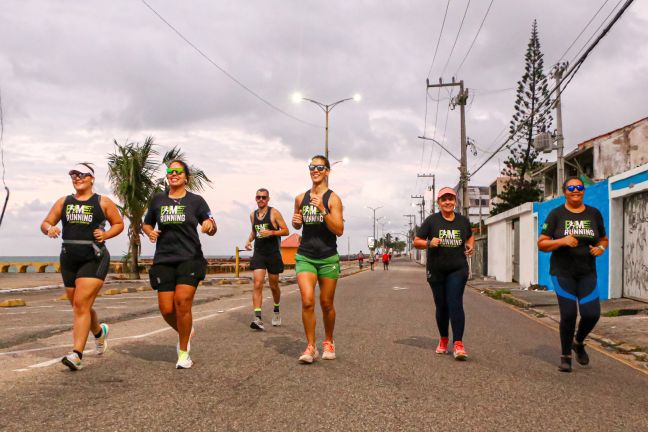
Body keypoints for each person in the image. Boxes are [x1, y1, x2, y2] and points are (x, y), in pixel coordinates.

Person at [41, 163, 124, 371]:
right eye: (73, 175)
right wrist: (50, 228)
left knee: (80, 304)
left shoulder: (102, 202)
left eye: (82, 175)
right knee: (79, 305)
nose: (77, 178)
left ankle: (76, 354)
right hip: (69, 258)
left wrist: (106, 235)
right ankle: (99, 332)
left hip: (93, 257)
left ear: (92, 179)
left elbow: (119, 223)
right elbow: (45, 223)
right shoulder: (64, 202)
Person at [142, 160, 216, 369]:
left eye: (178, 172)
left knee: (182, 302)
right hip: (164, 259)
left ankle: (184, 353)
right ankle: (186, 330)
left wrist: (209, 226)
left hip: (190, 258)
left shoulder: (196, 201)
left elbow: (210, 223)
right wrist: (149, 232)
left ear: (186, 177)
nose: (173, 174)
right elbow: (147, 223)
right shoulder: (158, 200)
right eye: (170, 171)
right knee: (166, 308)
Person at [538, 177, 608, 373]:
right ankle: (565, 355)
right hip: (563, 273)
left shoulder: (594, 214)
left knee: (592, 314)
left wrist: (601, 248)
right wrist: (561, 241)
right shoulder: (556, 214)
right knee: (568, 314)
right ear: (565, 191)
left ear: (583, 191)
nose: (575, 190)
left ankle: (578, 342)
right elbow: (542, 244)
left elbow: (603, 238)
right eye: (571, 187)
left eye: (579, 187)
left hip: (587, 272)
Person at [292, 155, 344, 364]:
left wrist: (322, 210)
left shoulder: (333, 199)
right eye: (312, 167)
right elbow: (297, 224)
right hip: (305, 256)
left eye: (319, 167)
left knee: (326, 303)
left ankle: (329, 341)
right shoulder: (300, 198)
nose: (315, 170)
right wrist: (296, 222)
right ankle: (310, 346)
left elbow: (339, 229)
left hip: (328, 256)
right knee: (307, 301)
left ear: (327, 171)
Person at [414, 187, 474, 361]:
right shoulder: (432, 221)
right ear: (438, 202)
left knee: (455, 302)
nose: (448, 202)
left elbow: (470, 237)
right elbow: (416, 241)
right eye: (444, 199)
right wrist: (428, 242)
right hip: (436, 270)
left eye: (451, 199)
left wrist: (471, 246)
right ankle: (443, 339)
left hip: (458, 269)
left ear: (455, 201)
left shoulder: (463, 221)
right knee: (442, 306)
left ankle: (458, 344)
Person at [244, 188, 289, 330]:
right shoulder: (253, 215)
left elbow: (286, 230)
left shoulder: (274, 212)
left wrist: (271, 232)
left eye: (264, 197)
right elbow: (254, 231)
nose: (261, 200)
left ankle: (276, 310)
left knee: (274, 285)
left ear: (268, 199)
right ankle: (257, 318)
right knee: (257, 283)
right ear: (255, 199)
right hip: (259, 253)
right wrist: (249, 240)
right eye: (258, 197)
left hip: (273, 253)